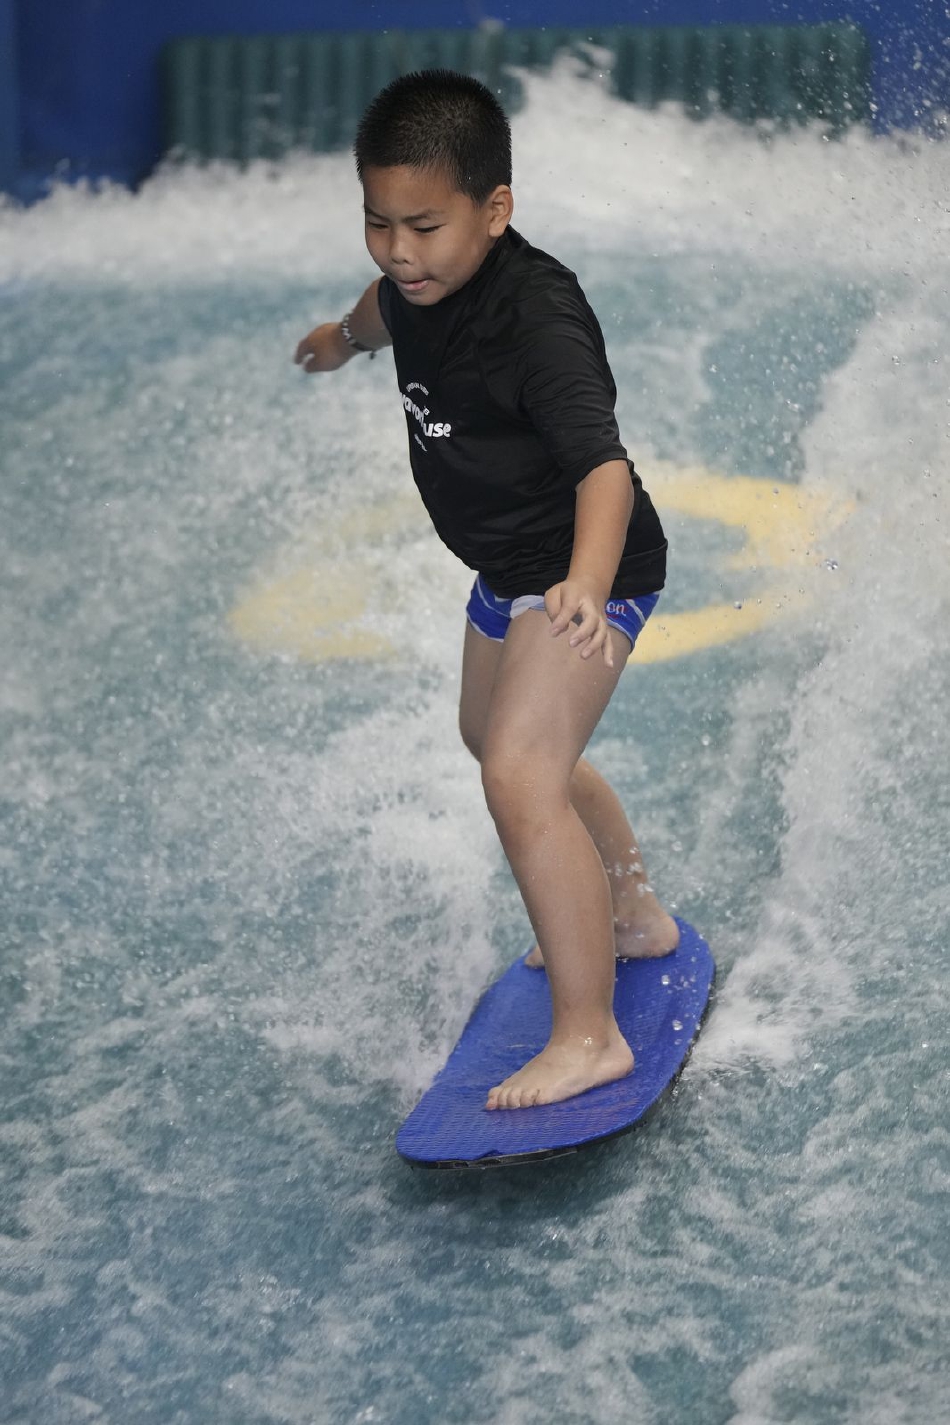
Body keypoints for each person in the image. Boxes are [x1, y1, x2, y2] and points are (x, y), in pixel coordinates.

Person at [294, 69, 679, 1111]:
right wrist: (337, 342)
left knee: (517, 773)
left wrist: (587, 590)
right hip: (507, 567)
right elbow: (380, 312)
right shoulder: (412, 288)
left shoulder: (535, 319)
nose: (397, 249)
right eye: (377, 222)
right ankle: (635, 916)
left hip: (581, 570)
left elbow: (601, 467)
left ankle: (588, 1036)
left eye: (422, 225)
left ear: (493, 210)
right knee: (500, 745)